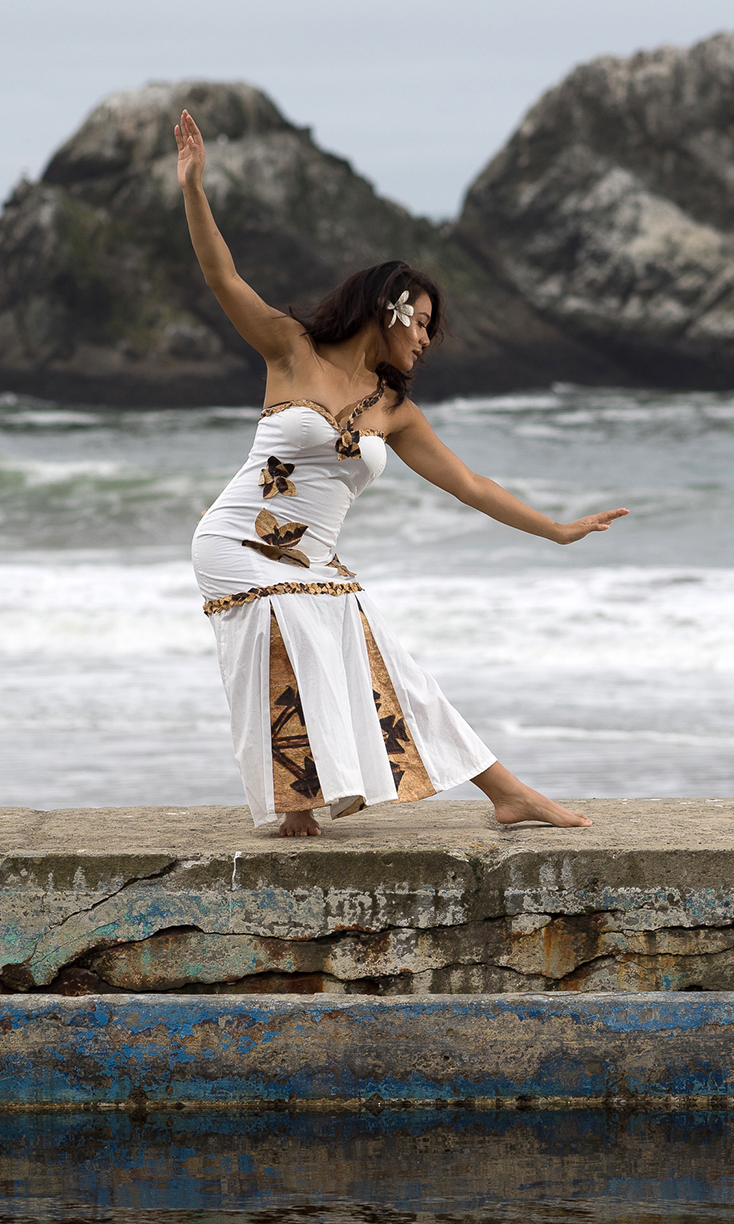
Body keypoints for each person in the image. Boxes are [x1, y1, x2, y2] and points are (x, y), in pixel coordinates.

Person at [176, 109, 627, 838]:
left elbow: (471, 485)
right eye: (418, 322)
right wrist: (195, 187)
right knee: (299, 636)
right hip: (235, 544)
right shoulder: (292, 352)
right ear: (384, 312)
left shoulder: (396, 412)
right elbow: (219, 274)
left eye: (430, 329)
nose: (425, 339)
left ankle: (504, 795)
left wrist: (557, 531)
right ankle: (301, 808)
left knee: (385, 659)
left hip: (310, 559)